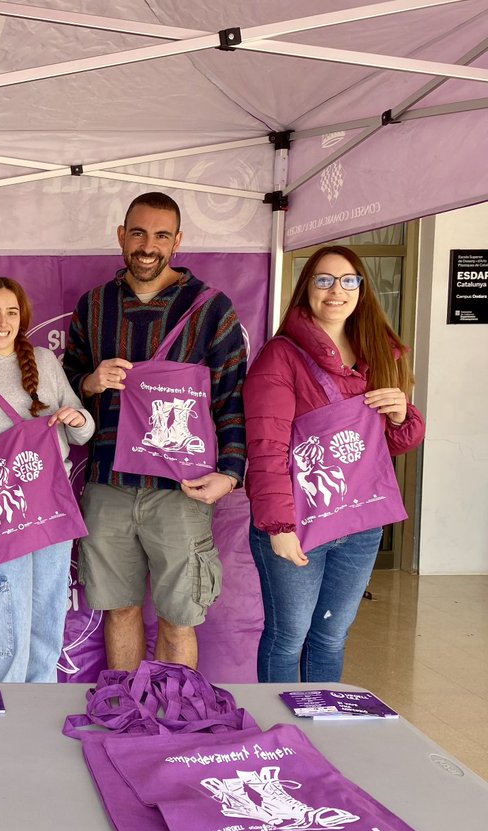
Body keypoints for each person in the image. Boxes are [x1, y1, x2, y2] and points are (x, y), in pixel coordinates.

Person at [63, 192, 247, 671]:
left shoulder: (212, 309)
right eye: (139, 233)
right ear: (121, 236)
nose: (148, 246)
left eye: (161, 235)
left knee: (179, 617)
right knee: (119, 609)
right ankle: (127, 708)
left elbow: (231, 397)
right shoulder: (94, 306)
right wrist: (89, 381)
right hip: (109, 484)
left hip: (181, 490)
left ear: (177, 241)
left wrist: (230, 472)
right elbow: (65, 387)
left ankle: (176, 710)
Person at [245, 246, 424, 683]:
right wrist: (278, 527)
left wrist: (402, 416)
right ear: (306, 287)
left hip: (360, 524)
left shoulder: (378, 352)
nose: (336, 290)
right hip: (298, 523)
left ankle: (321, 718)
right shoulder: (280, 356)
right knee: (288, 637)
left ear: (362, 289)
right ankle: (279, 723)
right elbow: (266, 446)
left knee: (330, 637)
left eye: (348, 280)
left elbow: (387, 446)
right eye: (324, 279)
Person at [0, 276, 94, 682]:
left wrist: (78, 419)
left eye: (11, 313)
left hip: (51, 502)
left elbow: (82, 431)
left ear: (22, 318)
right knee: (3, 624)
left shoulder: (44, 361)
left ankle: (39, 704)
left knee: (47, 618)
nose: (2, 322)